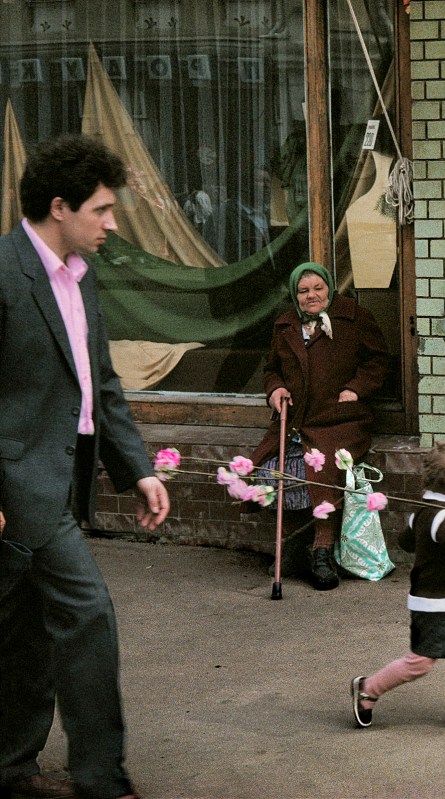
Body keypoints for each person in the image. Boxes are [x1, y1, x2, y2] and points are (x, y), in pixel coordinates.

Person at [0, 134, 170, 799]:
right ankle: (101, 776)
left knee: (22, 629)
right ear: (59, 206)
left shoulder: (82, 275)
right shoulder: (5, 272)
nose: (113, 223)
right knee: (88, 613)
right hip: (20, 484)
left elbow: (101, 382)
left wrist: (142, 469)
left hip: (62, 481)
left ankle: (10, 764)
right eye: (101, 209)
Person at [249, 261, 390, 590]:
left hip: (340, 418)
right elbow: (271, 369)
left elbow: (378, 359)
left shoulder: (353, 318)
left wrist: (355, 389)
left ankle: (322, 550)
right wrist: (276, 389)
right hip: (296, 420)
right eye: (303, 291)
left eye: (318, 289)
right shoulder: (285, 325)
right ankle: (294, 546)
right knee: (271, 470)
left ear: (330, 289)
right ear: (295, 295)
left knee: (323, 465)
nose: (311, 296)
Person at [350, 440, 445, 734]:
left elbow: (406, 542)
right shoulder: (438, 514)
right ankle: (367, 689)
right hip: (434, 604)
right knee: (420, 663)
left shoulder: (428, 511)